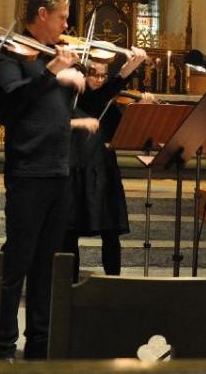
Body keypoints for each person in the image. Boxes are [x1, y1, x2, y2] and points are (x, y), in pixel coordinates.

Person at [0, 0, 85, 361]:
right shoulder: (14, 54)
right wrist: (52, 71)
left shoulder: (58, 58)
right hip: (28, 168)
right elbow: (12, 101)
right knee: (17, 260)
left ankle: (40, 342)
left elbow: (83, 100)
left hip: (59, 168)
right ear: (41, 15)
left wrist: (120, 76)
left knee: (47, 262)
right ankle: (3, 343)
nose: (67, 23)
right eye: (62, 16)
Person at [61, 48, 151, 282]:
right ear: (82, 72)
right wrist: (125, 73)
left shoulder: (110, 104)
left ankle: (114, 282)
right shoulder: (74, 95)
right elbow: (94, 100)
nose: (99, 80)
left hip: (104, 171)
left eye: (103, 76)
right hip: (76, 170)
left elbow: (126, 131)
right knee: (70, 233)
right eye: (94, 74)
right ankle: (69, 286)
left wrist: (141, 109)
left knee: (111, 233)